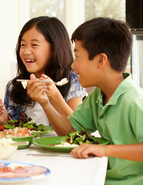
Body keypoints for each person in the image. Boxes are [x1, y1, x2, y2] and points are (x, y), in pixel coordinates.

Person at [27, 17, 143, 184]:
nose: (73, 66)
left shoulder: (133, 100)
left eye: (77, 57)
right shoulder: (98, 96)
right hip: (102, 177)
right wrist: (45, 102)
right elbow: (70, 131)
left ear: (101, 60)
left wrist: (105, 150)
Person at [0, 16, 86, 126]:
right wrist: (4, 120)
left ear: (55, 48)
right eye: (23, 45)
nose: (26, 51)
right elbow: (15, 133)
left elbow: (77, 128)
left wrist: (53, 97)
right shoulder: (14, 87)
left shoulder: (71, 81)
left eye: (34, 45)